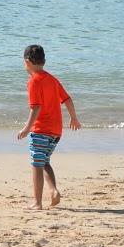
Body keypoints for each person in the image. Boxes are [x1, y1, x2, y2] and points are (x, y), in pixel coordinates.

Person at [16, 44, 80, 210]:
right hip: (56, 131)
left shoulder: (33, 82)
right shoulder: (52, 79)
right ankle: (53, 190)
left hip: (41, 130)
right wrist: (73, 118)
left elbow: (35, 107)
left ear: (27, 62)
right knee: (44, 161)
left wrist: (27, 128)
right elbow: (67, 99)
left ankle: (37, 202)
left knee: (36, 164)